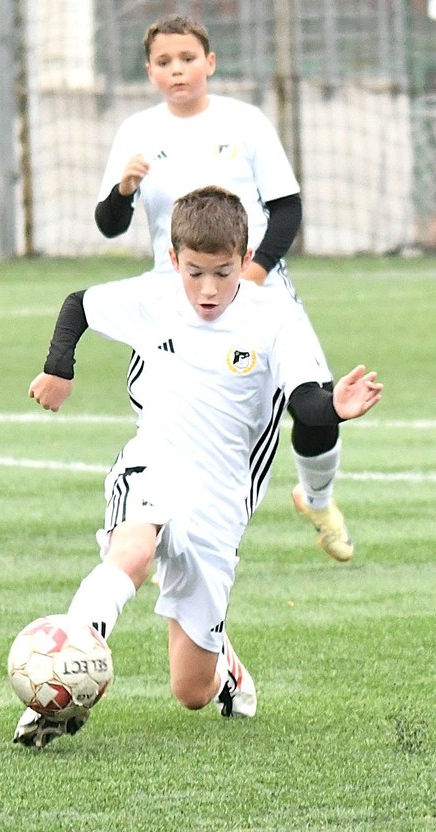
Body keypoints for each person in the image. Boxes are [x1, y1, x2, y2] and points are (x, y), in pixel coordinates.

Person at [16, 186, 383, 748]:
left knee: (190, 690)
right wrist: (58, 367)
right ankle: (63, 686)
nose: (208, 289)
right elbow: (79, 306)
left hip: (221, 498)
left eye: (222, 273)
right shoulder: (155, 296)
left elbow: (306, 402)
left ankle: (225, 668)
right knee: (131, 553)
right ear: (173, 260)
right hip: (154, 460)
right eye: (194, 273)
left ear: (245, 260)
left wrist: (334, 407)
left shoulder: (276, 318)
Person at [94, 14, 356, 563]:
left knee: (314, 407)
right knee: (171, 421)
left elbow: (287, 209)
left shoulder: (245, 122)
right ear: (150, 71)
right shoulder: (137, 132)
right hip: (176, 303)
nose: (177, 70)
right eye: (164, 62)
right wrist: (122, 191)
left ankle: (317, 500)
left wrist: (252, 277)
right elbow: (110, 225)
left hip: (259, 285)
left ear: (209, 63)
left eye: (187, 58)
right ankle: (166, 532)